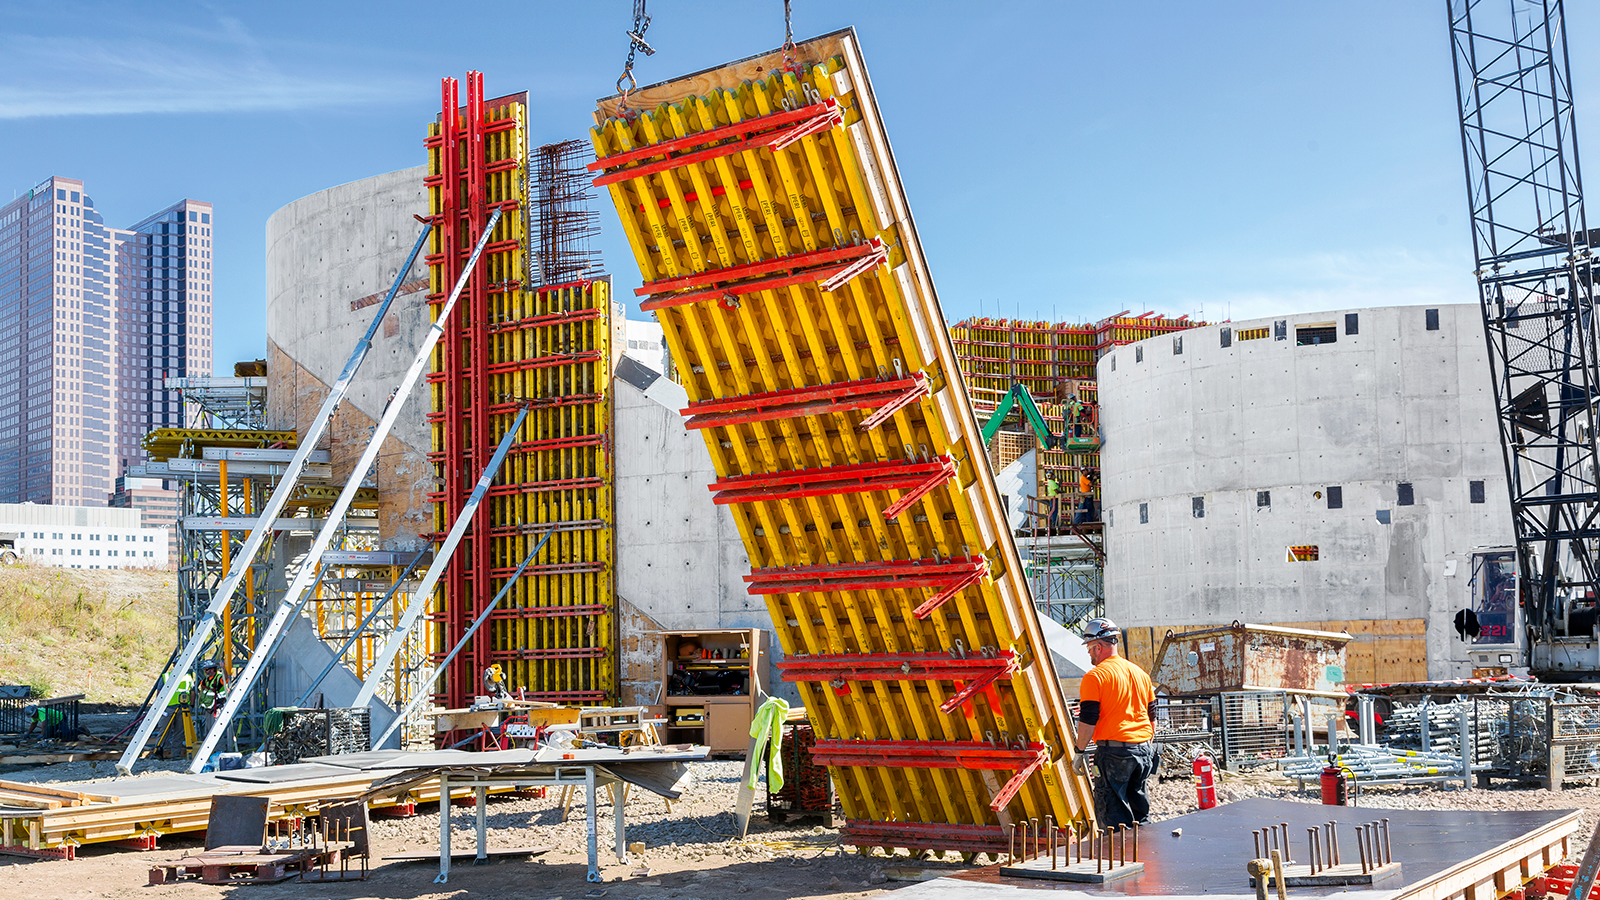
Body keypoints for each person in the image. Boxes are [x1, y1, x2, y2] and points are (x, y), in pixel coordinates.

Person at [1072, 618, 1158, 828]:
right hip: (1144, 750)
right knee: (1140, 814)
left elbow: (1088, 720)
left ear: (1098, 646)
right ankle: (1145, 856)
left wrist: (1079, 751)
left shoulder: (1095, 677)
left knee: (1113, 818)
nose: (1089, 654)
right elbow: (1152, 716)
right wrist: (1144, 744)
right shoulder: (1141, 674)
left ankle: (1120, 859)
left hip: (1114, 753)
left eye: (1090, 649)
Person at [194, 660, 233, 753]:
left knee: (216, 731)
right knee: (208, 731)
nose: (208, 671)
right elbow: (202, 686)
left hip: (217, 708)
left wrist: (223, 668)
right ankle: (211, 751)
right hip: (209, 709)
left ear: (214, 669)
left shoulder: (219, 678)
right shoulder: (206, 680)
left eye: (209, 669)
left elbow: (226, 678)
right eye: (206, 670)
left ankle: (220, 752)